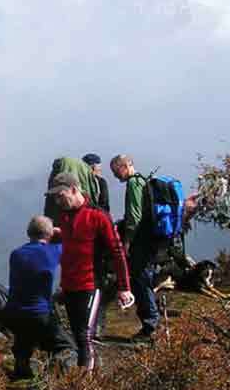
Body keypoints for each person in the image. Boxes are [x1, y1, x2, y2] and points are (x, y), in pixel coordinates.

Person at [47, 173, 133, 370]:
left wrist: (124, 287)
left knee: (86, 336)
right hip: (69, 286)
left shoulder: (98, 216)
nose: (58, 200)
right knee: (78, 336)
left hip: (90, 284)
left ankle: (84, 381)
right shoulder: (64, 216)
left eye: (61, 195)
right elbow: (71, 248)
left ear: (74, 189)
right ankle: (88, 377)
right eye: (55, 197)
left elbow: (117, 252)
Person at [1, 215, 76, 379]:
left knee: (24, 340)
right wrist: (58, 232)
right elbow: (69, 239)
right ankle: (55, 377)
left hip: (14, 314)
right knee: (66, 347)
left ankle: (21, 367)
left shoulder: (16, 254)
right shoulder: (52, 252)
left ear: (29, 232)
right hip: (40, 315)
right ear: (49, 234)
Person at [110, 154, 160, 340]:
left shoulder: (133, 184)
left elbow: (134, 216)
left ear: (125, 166)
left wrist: (127, 242)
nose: (116, 177)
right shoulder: (143, 180)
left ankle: (150, 326)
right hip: (151, 240)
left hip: (140, 242)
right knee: (145, 278)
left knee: (140, 281)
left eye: (116, 171)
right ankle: (152, 322)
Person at [81, 153, 114, 339]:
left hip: (84, 239)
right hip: (98, 238)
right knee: (98, 281)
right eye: (98, 168)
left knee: (89, 280)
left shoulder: (79, 186)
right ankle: (97, 324)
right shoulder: (100, 184)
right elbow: (105, 209)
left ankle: (88, 323)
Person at [44, 157, 101, 221]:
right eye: (55, 197)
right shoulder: (64, 221)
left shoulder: (98, 218)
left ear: (74, 190)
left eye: (60, 196)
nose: (57, 201)